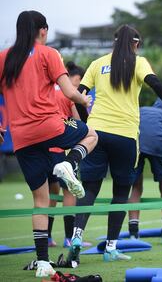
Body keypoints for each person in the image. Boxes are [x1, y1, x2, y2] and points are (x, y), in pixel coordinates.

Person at [69, 24, 162, 263]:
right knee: (121, 192)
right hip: (125, 136)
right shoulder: (139, 62)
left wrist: (88, 122)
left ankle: (76, 236)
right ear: (136, 44)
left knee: (89, 188)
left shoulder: (97, 63)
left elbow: (78, 95)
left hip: (96, 133)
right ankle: (110, 248)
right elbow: (156, 84)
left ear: (114, 42)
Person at [0, 11, 98, 278]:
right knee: (91, 135)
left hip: (21, 138)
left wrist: (1, 127)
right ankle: (70, 162)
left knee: (40, 201)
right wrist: (84, 100)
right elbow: (68, 91)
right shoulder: (48, 53)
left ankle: (43, 262)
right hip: (49, 126)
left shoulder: (3, 58)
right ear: (43, 30)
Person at [128, 98, 162, 245]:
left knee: (136, 186)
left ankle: (134, 234)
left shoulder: (143, 110)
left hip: (135, 142)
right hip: (159, 144)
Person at [47, 61, 91, 249]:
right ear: (71, 78)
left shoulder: (47, 90)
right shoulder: (68, 94)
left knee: (49, 194)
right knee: (69, 192)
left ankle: (46, 238)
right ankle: (68, 237)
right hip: (59, 151)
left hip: (41, 148)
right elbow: (79, 123)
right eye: (79, 80)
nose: (80, 85)